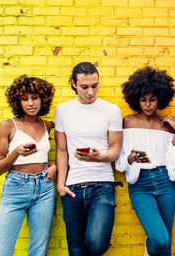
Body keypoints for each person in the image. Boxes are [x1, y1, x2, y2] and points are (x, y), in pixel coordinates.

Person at [54, 62, 123, 256]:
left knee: (96, 243)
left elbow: (115, 148)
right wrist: (61, 185)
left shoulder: (111, 110)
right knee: (76, 250)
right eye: (84, 86)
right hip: (72, 187)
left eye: (95, 85)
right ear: (74, 84)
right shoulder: (62, 110)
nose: (91, 91)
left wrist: (100, 157)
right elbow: (61, 150)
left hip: (102, 186)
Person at [116, 66, 175, 256]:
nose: (148, 104)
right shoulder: (128, 122)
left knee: (166, 242)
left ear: (160, 98)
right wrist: (131, 158)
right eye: (143, 99)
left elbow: (174, 164)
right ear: (136, 98)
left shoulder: (167, 126)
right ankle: (149, 249)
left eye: (152, 99)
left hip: (165, 182)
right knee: (160, 241)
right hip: (140, 184)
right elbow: (120, 161)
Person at [0, 75, 57, 256]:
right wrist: (16, 153)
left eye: (35, 98)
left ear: (43, 99)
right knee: (0, 251)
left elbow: (64, 149)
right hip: (16, 187)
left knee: (38, 250)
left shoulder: (47, 125)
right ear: (17, 101)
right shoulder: (8, 125)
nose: (31, 103)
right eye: (24, 99)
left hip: (44, 188)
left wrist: (53, 166)